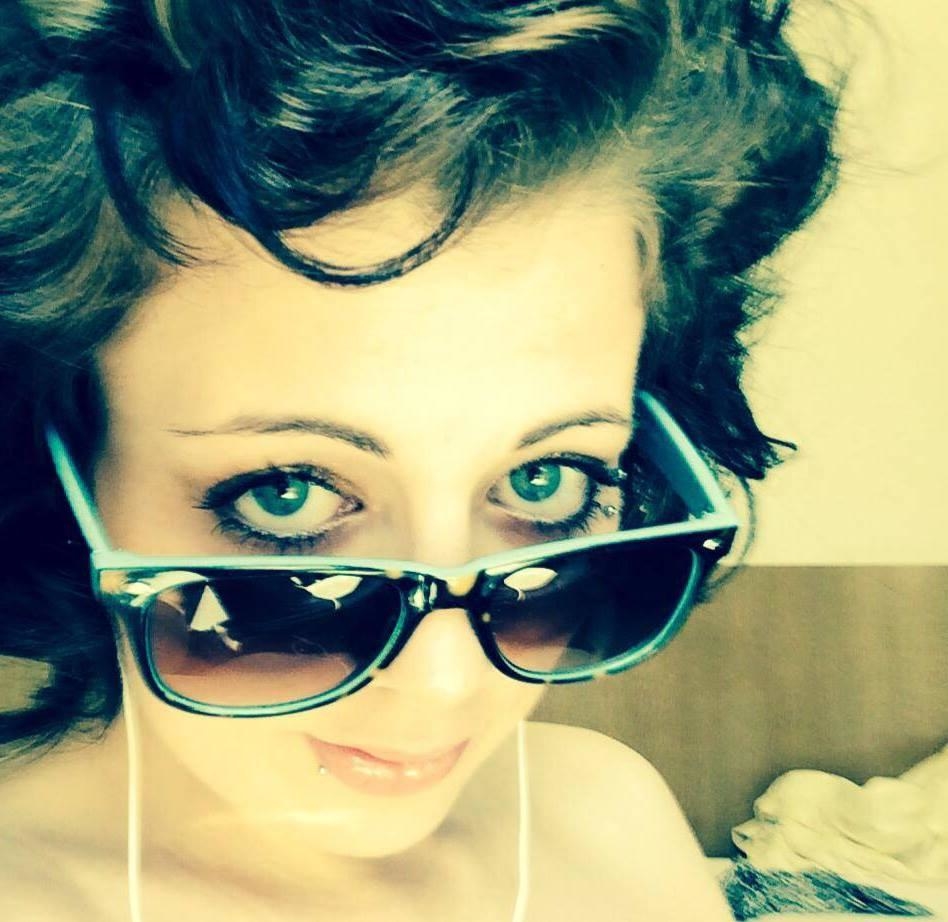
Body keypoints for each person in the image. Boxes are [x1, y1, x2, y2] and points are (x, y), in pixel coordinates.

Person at [0, 1, 842, 919]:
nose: (446, 681)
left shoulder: (607, 813)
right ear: (65, 472)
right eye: (287, 498)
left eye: (545, 482)